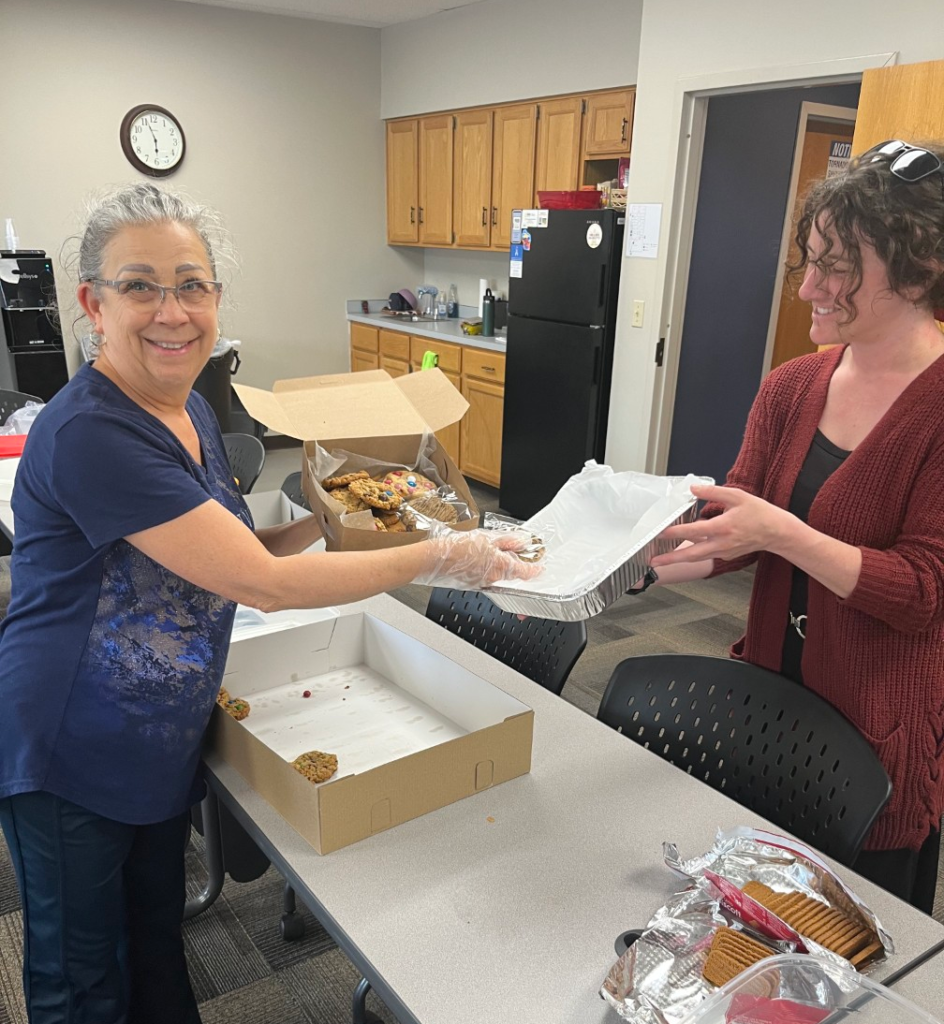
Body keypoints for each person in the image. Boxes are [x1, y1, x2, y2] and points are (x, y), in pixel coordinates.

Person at [0, 183, 538, 1024]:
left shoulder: (188, 411)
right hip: (72, 739)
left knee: (153, 940)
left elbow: (250, 548)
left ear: (217, 297)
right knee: (83, 979)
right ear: (91, 305)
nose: (171, 311)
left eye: (193, 284)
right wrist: (441, 554)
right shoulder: (91, 432)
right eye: (140, 285)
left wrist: (346, 517)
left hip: (154, 726)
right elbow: (264, 585)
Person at [649, 140, 944, 914]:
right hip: (773, 719)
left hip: (875, 757)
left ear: (918, 271)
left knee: (850, 963)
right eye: (807, 260)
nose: (809, 286)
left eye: (837, 265)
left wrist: (782, 531)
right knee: (752, 935)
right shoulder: (792, 385)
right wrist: (628, 562)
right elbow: (736, 527)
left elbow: (922, 592)